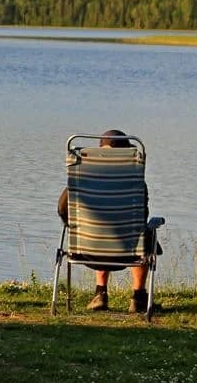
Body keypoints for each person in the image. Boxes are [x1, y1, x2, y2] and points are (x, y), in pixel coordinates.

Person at [57, 129, 159, 313]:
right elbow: (141, 215)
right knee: (144, 233)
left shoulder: (81, 179)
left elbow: (62, 209)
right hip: (128, 253)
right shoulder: (135, 183)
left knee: (96, 226)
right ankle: (138, 298)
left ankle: (100, 294)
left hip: (85, 251)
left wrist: (72, 226)